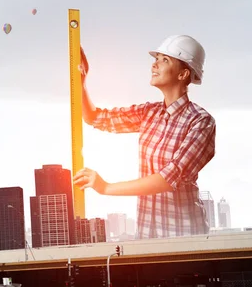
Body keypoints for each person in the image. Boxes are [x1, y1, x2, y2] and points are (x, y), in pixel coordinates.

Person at [73, 35, 216, 239]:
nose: (154, 65)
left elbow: (169, 177)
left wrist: (105, 188)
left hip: (185, 237)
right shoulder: (150, 113)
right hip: (148, 235)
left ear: (183, 74)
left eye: (165, 60)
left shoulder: (201, 122)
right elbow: (95, 118)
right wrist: (81, 82)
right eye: (156, 58)